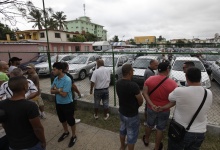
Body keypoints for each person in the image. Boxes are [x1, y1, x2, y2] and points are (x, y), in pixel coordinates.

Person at [165, 67, 213, 150]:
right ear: (200, 78)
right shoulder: (208, 93)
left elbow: (170, 98)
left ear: (186, 77)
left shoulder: (179, 91)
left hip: (180, 131)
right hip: (200, 133)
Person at [0, 76, 46, 150]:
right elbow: (38, 128)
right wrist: (43, 141)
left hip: (13, 145)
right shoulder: (30, 106)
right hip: (31, 145)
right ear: (25, 87)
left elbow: (3, 123)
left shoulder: (1, 104)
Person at [142, 62, 177, 150]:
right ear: (167, 70)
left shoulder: (149, 79)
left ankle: (146, 139)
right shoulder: (173, 84)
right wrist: (163, 107)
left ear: (158, 69)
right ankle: (157, 147)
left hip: (151, 108)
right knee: (160, 128)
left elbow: (144, 93)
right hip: (164, 110)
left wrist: (152, 104)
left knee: (149, 124)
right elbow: (174, 101)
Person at [116, 64, 143, 150]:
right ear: (130, 72)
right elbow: (140, 100)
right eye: (132, 71)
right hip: (132, 115)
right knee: (131, 135)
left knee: (122, 129)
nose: (133, 73)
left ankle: (122, 146)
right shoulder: (134, 85)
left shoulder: (118, 83)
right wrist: (136, 106)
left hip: (122, 112)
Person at [50, 62, 77, 148]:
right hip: (58, 103)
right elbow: (51, 91)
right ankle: (66, 132)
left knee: (71, 121)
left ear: (60, 70)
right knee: (62, 119)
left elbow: (65, 94)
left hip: (67, 104)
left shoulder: (67, 80)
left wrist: (56, 90)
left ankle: (74, 136)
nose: (52, 71)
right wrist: (59, 90)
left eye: (54, 69)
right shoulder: (56, 79)